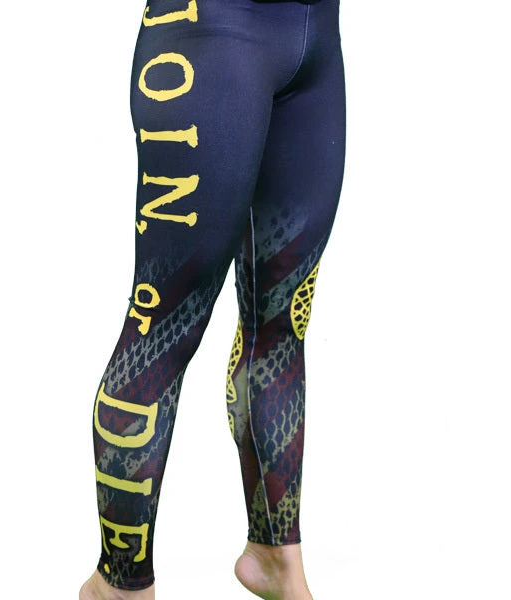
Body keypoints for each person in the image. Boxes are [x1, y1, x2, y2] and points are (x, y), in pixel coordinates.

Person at [80, 0, 345, 598]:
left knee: (280, 324)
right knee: (162, 330)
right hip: (210, 34)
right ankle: (120, 584)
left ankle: (276, 557)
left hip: (317, 43)